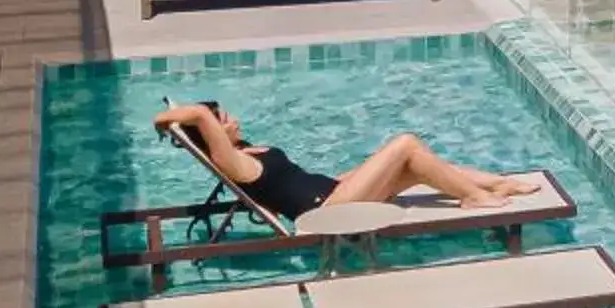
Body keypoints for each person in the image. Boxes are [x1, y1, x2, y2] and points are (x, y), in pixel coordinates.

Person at [154, 100, 544, 219]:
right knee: (405, 144)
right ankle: (474, 197)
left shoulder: (244, 150)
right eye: (225, 120)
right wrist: (171, 117)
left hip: (333, 189)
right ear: (212, 134)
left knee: (413, 165)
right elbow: (200, 118)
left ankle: (494, 182)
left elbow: (206, 122)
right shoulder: (232, 163)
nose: (233, 119)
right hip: (326, 210)